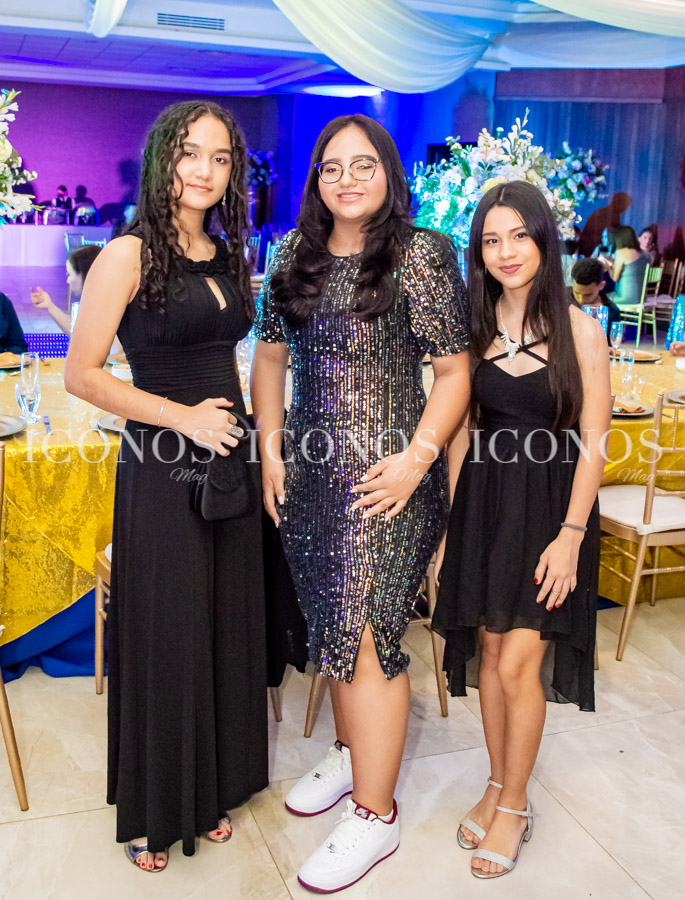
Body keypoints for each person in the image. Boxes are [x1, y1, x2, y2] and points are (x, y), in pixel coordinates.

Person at [251, 113, 470, 894]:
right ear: (315, 179)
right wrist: (269, 450)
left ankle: (376, 816)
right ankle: (351, 756)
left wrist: (416, 462)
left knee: (369, 634)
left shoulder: (420, 253)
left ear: (388, 173)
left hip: (389, 481)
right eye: (331, 167)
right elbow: (269, 358)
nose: (346, 179)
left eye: (362, 164)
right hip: (311, 480)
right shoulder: (291, 256)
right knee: (331, 626)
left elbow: (453, 372)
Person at [65, 100, 268, 872]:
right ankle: (155, 809)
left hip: (230, 458)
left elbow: (234, 357)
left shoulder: (226, 253)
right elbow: (82, 375)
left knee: (221, 626)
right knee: (170, 631)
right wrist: (181, 418)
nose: (204, 171)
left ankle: (208, 787)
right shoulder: (126, 254)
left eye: (220, 157)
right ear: (162, 160)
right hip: (162, 462)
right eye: (189, 153)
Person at [433, 180, 610, 879]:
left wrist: (571, 535)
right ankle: (495, 783)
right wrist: (451, 531)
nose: (505, 252)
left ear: (543, 240)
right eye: (490, 240)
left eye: (519, 236)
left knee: (516, 665)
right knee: (488, 653)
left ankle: (514, 805)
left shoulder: (580, 330)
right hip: (483, 508)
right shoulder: (472, 331)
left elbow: (593, 443)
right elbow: (460, 434)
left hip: (550, 513)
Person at [31, 245, 102, 334]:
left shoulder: (104, 311)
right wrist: (50, 306)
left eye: (69, 274)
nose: (68, 281)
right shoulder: (96, 304)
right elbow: (77, 332)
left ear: (85, 275)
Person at [571, 257, 622, 342]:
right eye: (576, 292)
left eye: (588, 295)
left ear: (602, 285)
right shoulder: (561, 301)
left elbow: (609, 344)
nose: (581, 300)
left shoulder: (611, 312)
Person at [601, 225, 648, 306]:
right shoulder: (644, 254)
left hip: (626, 298)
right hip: (642, 298)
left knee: (599, 297)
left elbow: (615, 278)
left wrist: (608, 265)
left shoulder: (622, 252)